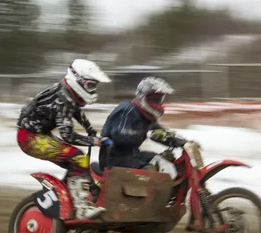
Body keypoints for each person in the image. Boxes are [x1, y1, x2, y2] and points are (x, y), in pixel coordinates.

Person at [16, 59, 113, 220]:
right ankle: (81, 209)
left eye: (94, 86)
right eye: (91, 85)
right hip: (29, 138)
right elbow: (67, 135)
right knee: (78, 157)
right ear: (79, 80)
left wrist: (91, 131)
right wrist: (95, 141)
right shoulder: (62, 98)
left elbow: (76, 111)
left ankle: (72, 198)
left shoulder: (67, 93)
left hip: (40, 134)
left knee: (76, 164)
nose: (93, 90)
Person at [98, 76, 187, 177]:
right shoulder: (127, 110)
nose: (157, 102)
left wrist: (181, 142)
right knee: (150, 172)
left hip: (133, 155)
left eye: (159, 99)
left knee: (167, 164)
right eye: (154, 99)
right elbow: (120, 135)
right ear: (142, 96)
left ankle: (172, 192)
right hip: (113, 159)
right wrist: (147, 133)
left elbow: (159, 132)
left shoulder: (146, 115)